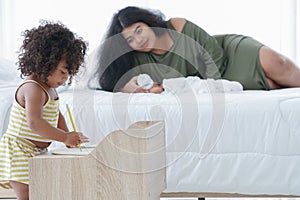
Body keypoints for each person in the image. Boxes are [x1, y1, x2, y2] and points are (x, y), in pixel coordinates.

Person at [93, 6, 300, 93]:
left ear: (148, 23)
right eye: (130, 39)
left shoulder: (177, 26)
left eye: (139, 30)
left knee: (277, 64)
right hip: (210, 84)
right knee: (272, 85)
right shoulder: (138, 61)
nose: (138, 41)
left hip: (228, 55)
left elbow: (215, 57)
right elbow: (125, 84)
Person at [0, 21, 89, 200]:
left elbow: (56, 115)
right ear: (46, 62)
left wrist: (68, 136)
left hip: (35, 152)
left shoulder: (50, 88)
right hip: (19, 150)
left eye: (69, 73)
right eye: (63, 72)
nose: (66, 78)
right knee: (27, 194)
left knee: (41, 190)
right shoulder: (33, 88)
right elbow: (35, 123)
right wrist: (63, 137)